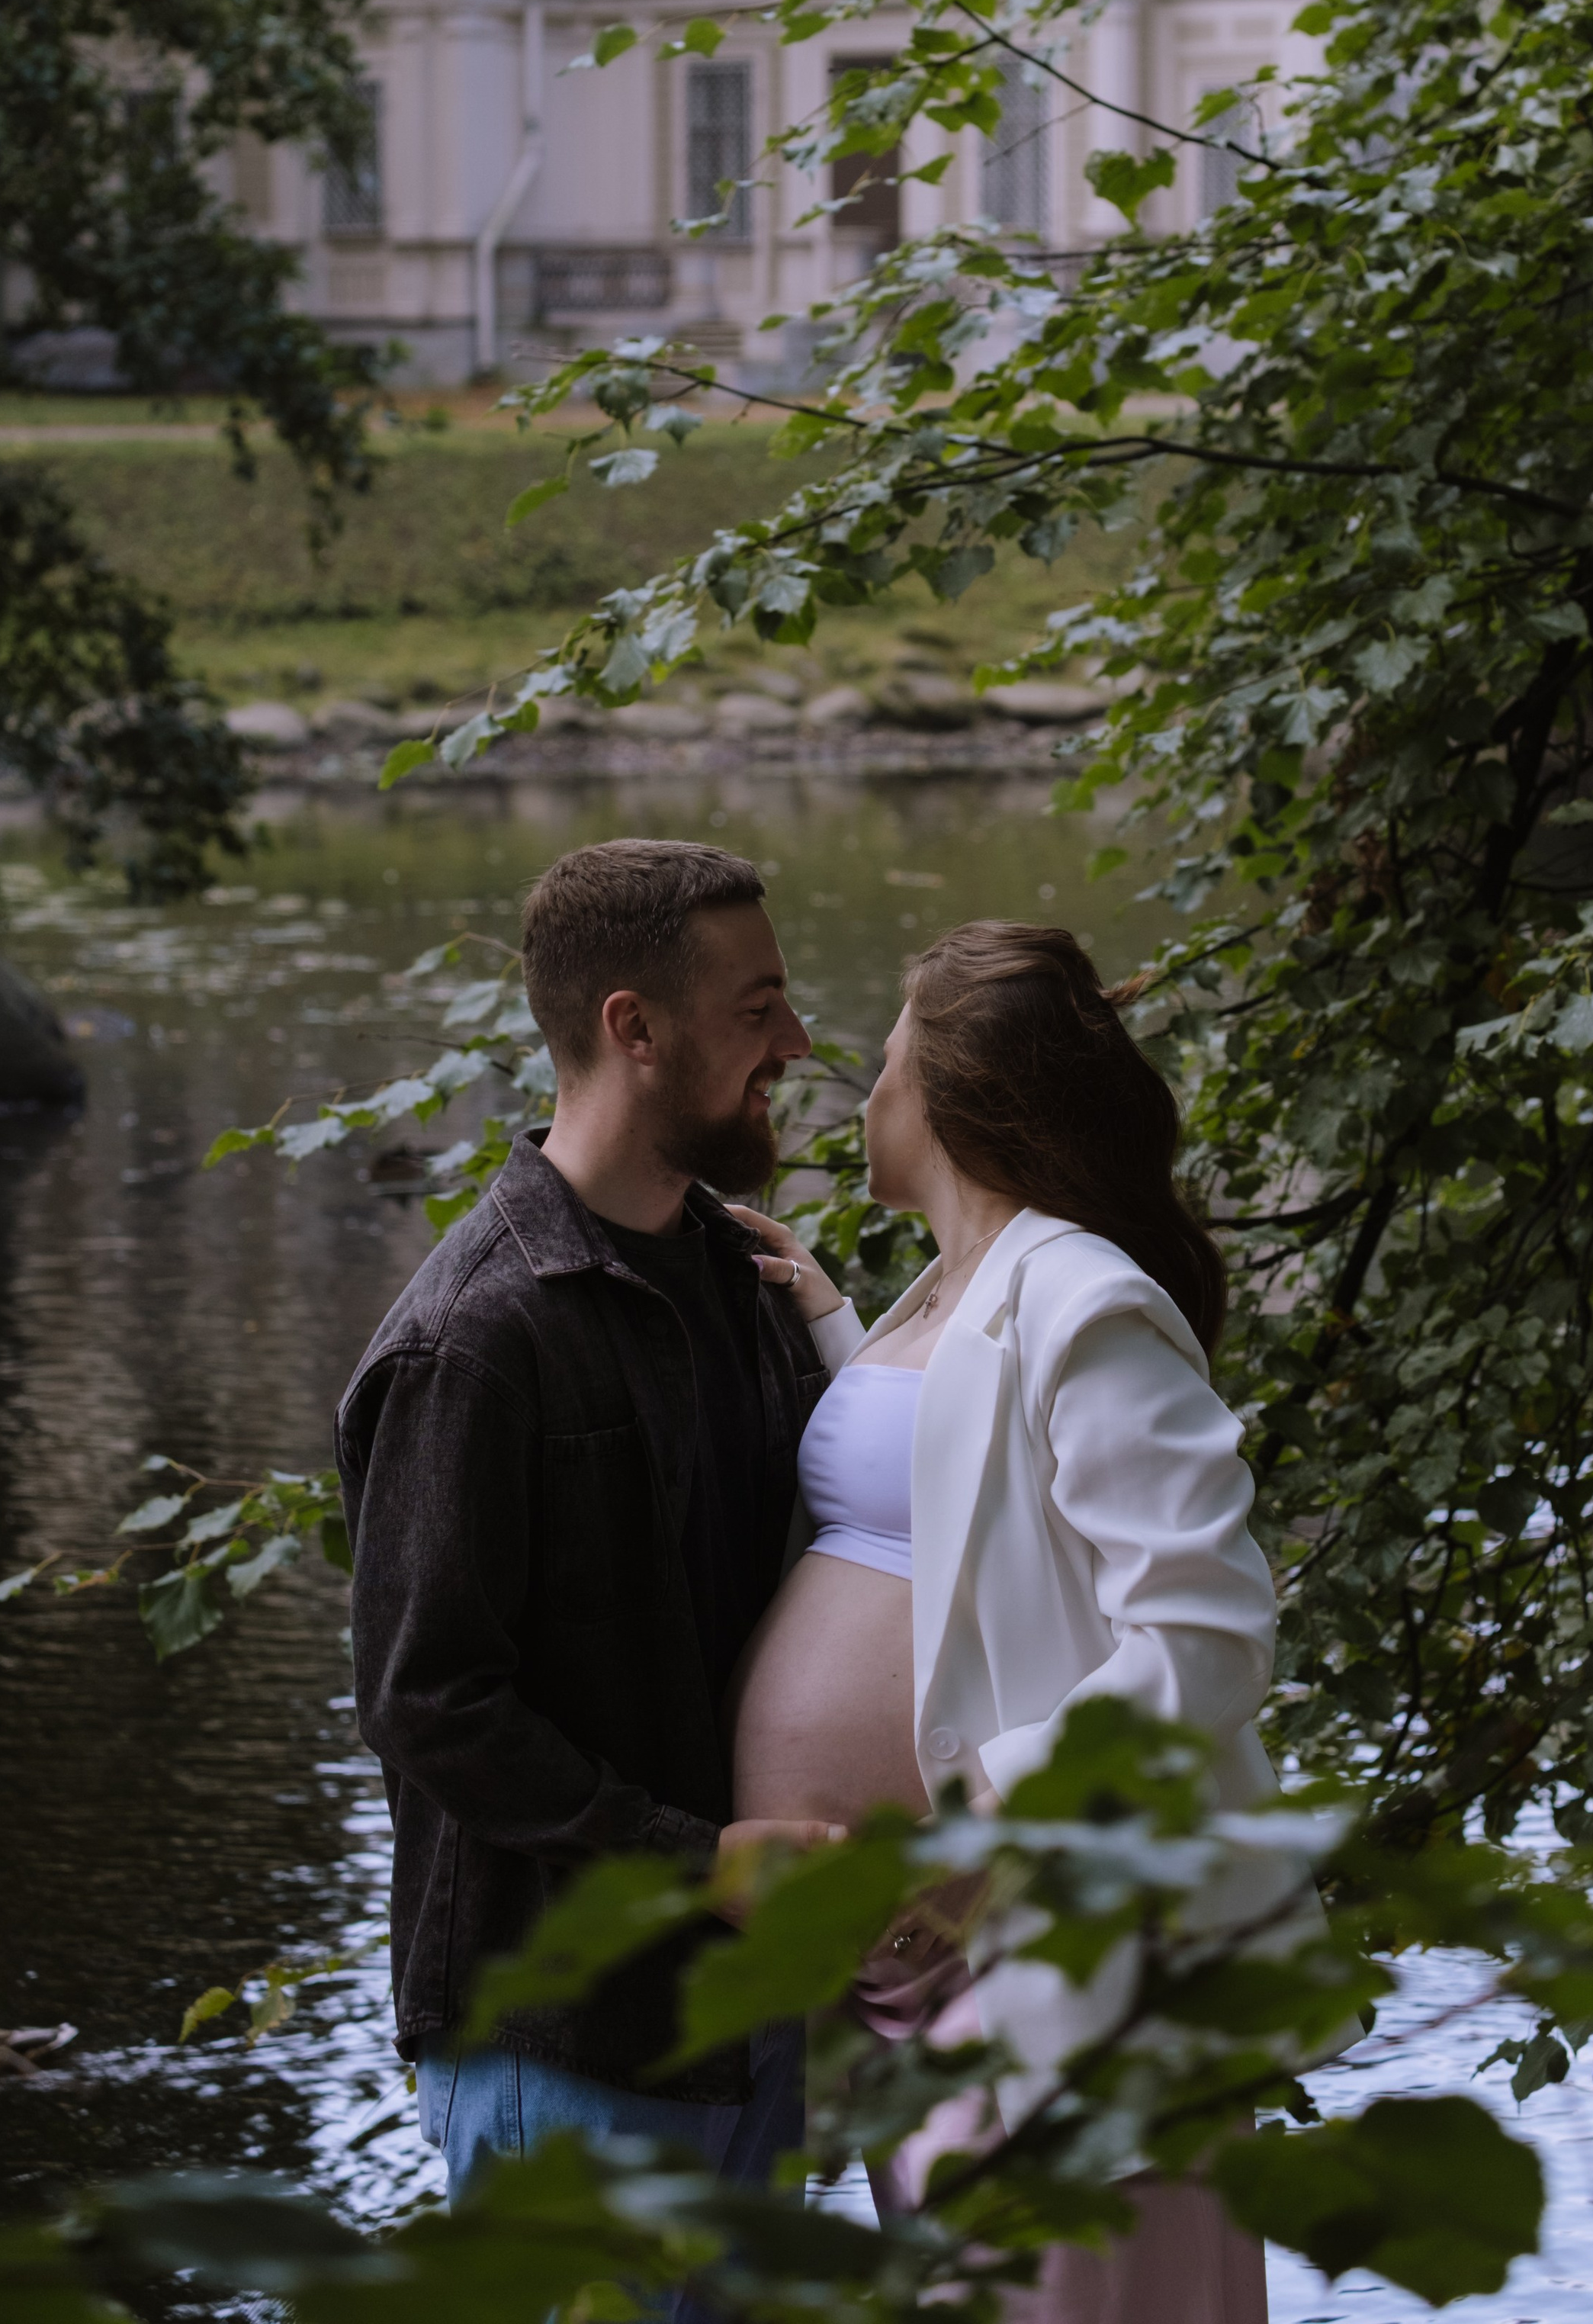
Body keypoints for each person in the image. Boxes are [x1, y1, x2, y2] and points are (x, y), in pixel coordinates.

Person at [726, 921, 1285, 2324]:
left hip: (1025, 1930)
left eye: (892, 1055)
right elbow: (958, 1491)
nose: (863, 1093)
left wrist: (987, 1830)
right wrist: (828, 1322)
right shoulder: (952, 1287)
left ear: (958, 1087)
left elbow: (1208, 1631)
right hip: (901, 1961)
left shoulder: (1086, 1295)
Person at [334, 840, 853, 2256]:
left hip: (746, 2023)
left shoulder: (742, 1286)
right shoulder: (474, 1343)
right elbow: (429, 1703)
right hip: (562, 2049)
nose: (796, 1046)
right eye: (757, 1009)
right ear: (634, 1027)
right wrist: (710, 1862)